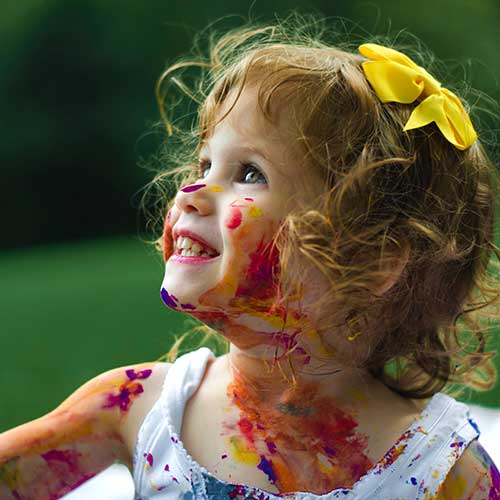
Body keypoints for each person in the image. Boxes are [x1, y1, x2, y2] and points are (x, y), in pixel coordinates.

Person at [1, 13, 500, 500]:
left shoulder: (438, 467)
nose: (193, 191)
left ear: (373, 261)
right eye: (204, 163)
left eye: (249, 173)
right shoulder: (141, 407)